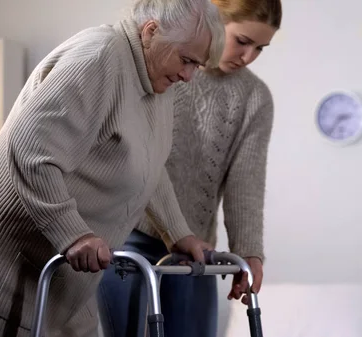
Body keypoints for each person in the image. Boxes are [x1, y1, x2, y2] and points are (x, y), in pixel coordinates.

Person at [0, 0, 225, 336]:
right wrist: (72, 233)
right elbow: (30, 149)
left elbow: (149, 167)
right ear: (151, 31)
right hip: (12, 277)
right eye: (186, 60)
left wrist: (178, 234)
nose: (188, 76)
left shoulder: (157, 81)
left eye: (196, 66)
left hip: (72, 285)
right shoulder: (98, 58)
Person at [97, 0, 282, 336]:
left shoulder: (255, 97)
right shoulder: (164, 68)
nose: (248, 56)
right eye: (242, 41)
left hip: (195, 251)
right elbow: (140, 157)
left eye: (260, 48)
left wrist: (249, 252)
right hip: (127, 236)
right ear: (213, 19)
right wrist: (173, 229)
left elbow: (246, 183)